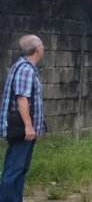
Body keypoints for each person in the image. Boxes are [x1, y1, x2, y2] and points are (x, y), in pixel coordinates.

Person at [0, 35, 47, 202]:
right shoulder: (25, 69)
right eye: (42, 44)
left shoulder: (25, 67)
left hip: (24, 127)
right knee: (14, 168)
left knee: (20, 168)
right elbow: (22, 98)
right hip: (21, 127)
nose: (43, 47)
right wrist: (28, 125)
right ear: (37, 49)